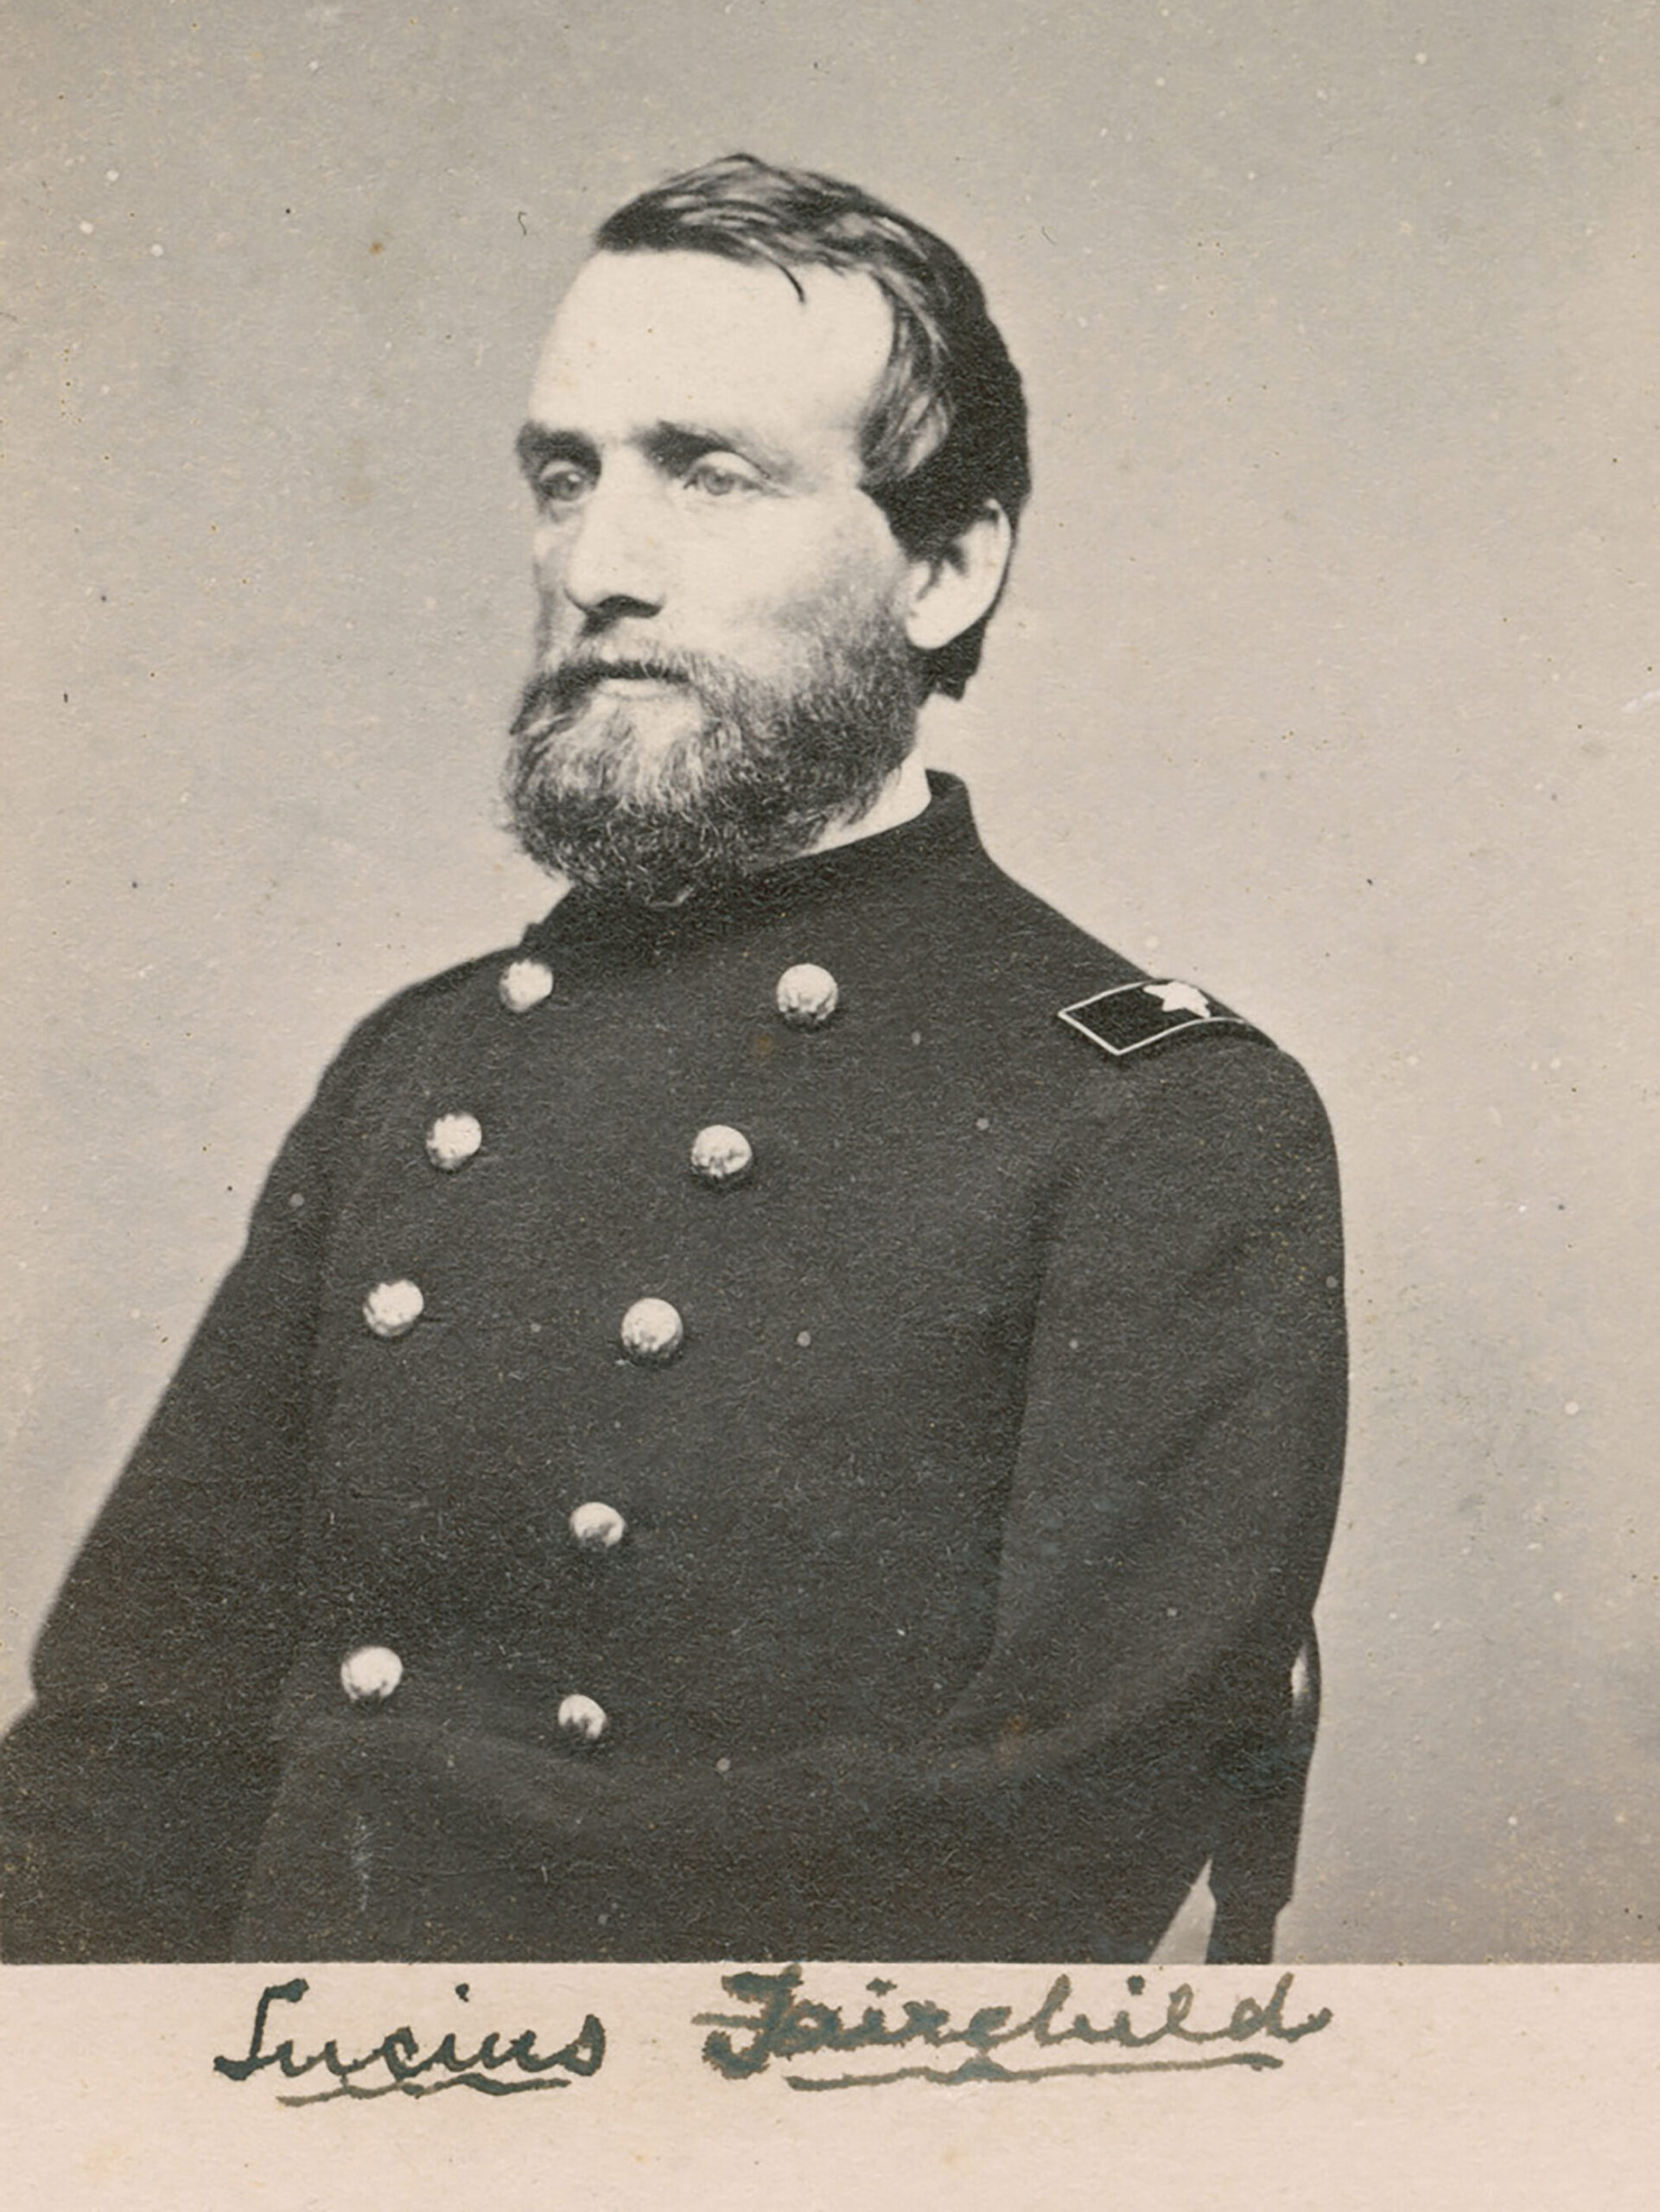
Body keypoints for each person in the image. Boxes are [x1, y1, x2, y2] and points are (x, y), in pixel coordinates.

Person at [0, 155, 1346, 1964]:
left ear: (946, 564)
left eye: (708, 476)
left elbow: (1062, 1824)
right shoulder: (414, 1062)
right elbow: (121, 1733)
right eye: (565, 478)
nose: (596, 567)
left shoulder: (1150, 1114)